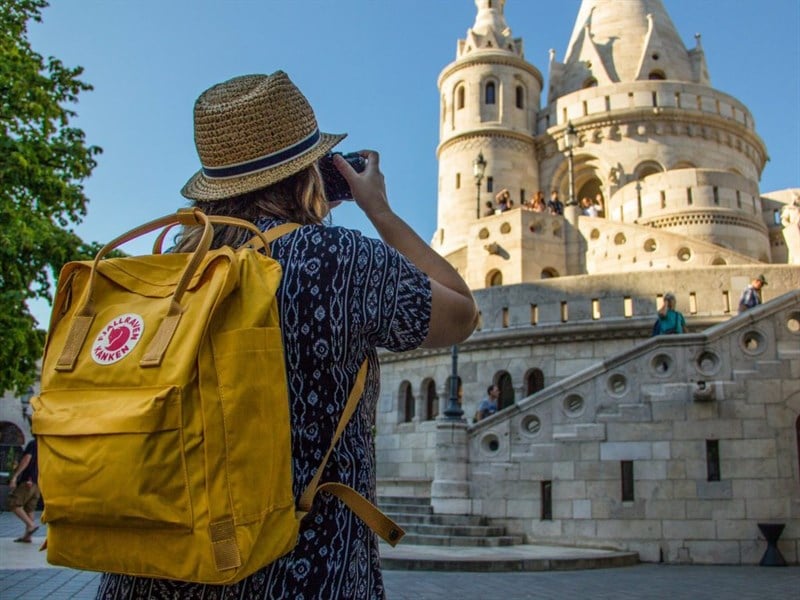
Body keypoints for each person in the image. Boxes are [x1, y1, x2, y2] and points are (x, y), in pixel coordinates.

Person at [95, 71, 478, 599]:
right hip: (302, 571)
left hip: (154, 570)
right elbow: (461, 313)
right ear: (311, 175)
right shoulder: (341, 261)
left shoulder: (165, 273)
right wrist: (379, 210)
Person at [7, 438, 40, 543]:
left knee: (13, 503)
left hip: (28, 480)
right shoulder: (45, 444)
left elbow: (27, 459)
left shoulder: (33, 443)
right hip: (38, 482)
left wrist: (15, 476)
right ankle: (27, 536)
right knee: (29, 508)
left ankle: (31, 525)